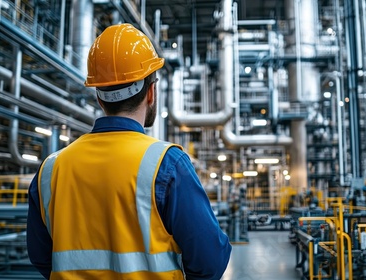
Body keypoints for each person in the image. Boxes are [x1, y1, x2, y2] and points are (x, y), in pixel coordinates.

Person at [26, 23, 232, 280]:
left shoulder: (51, 169)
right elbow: (210, 261)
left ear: (99, 97)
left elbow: (41, 258)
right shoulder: (167, 164)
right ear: (151, 92)